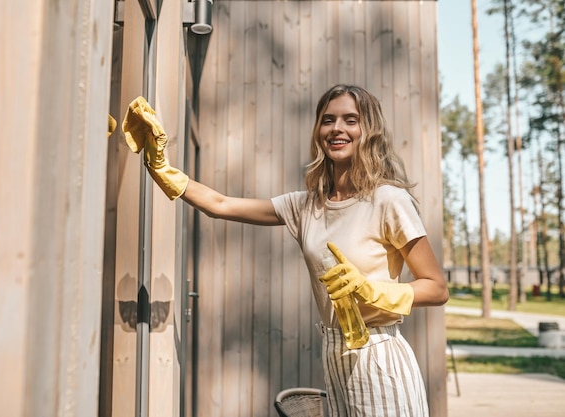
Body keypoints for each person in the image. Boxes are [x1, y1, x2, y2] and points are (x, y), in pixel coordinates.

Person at [121, 84, 449, 417]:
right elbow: (219, 204)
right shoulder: (307, 206)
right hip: (334, 353)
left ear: (370, 130)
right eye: (328, 120)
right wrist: (160, 167)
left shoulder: (388, 200)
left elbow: (437, 288)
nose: (337, 129)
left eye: (351, 120)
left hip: (379, 356)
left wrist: (372, 291)